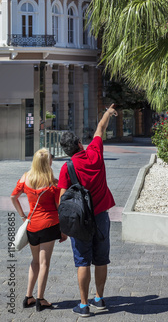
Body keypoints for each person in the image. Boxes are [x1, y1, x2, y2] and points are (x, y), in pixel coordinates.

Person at [58, 104, 117, 317]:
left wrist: (62, 228)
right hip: (101, 216)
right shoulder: (94, 153)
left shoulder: (67, 168)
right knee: (101, 259)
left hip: (80, 221)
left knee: (82, 260)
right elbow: (100, 129)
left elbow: (63, 200)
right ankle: (99, 298)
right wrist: (108, 113)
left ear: (66, 151)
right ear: (80, 144)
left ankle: (83, 305)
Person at [11, 148, 67, 311]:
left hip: (32, 226)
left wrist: (23, 216)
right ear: (47, 162)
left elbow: (13, 197)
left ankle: (29, 296)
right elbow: (59, 207)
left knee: (35, 262)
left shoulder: (25, 178)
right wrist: (63, 230)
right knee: (44, 263)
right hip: (49, 226)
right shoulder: (53, 183)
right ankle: (40, 299)